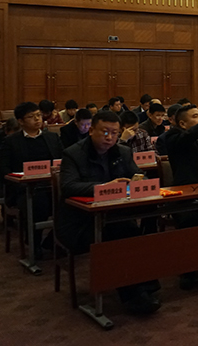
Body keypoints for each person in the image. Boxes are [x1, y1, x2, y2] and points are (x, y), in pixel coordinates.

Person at [57, 110, 161, 315]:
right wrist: (105, 187)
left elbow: (138, 176)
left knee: (134, 233)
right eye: (105, 132)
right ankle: (133, 296)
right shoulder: (73, 153)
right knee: (120, 236)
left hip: (113, 216)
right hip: (80, 221)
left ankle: (143, 285)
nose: (110, 137)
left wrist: (138, 181)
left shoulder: (123, 152)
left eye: (114, 133)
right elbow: (68, 186)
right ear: (91, 130)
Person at [0, 102, 63, 257]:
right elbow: (3, 169)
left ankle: (53, 241)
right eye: (31, 117)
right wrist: (18, 181)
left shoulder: (52, 137)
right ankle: (34, 243)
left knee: (71, 203)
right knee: (39, 203)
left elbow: (63, 161)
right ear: (20, 121)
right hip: (24, 189)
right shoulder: (11, 141)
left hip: (51, 185)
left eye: (39, 115)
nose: (37, 119)